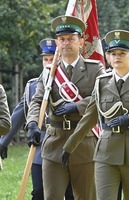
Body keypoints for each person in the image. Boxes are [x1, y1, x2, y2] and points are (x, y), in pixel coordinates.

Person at [62, 30, 129, 200]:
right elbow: (90, 117)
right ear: (108, 57)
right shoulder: (101, 82)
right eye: (113, 53)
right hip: (106, 153)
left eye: (122, 53)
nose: (117, 57)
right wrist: (69, 146)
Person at [26, 16, 105, 200]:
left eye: (71, 39)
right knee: (51, 196)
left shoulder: (96, 69)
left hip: (84, 144)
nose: (66, 43)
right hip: (54, 144)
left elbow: (102, 98)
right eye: (62, 39)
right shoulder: (49, 72)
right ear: (57, 42)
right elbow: (37, 100)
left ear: (81, 42)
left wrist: (76, 106)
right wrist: (31, 123)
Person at [0, 38, 74, 199]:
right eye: (45, 59)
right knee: (39, 192)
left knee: (71, 194)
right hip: (40, 146)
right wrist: (3, 141)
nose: (48, 63)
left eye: (52, 59)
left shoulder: (70, 85)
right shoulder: (32, 86)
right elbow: (19, 115)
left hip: (66, 143)